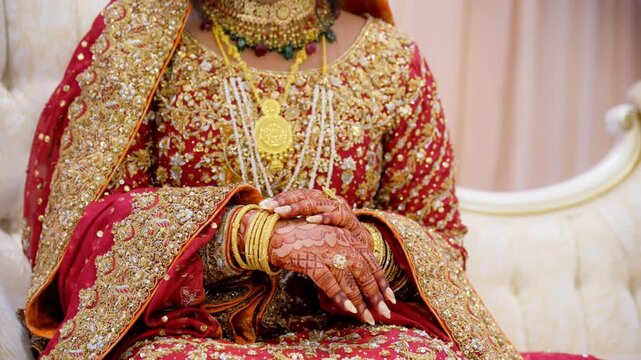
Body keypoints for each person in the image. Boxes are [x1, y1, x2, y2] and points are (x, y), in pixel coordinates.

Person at [20, 0, 598, 358]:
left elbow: (441, 245)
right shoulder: (136, 38)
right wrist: (251, 237)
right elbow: (83, 234)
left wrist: (362, 243)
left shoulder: (393, 62)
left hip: (355, 337)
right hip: (189, 333)